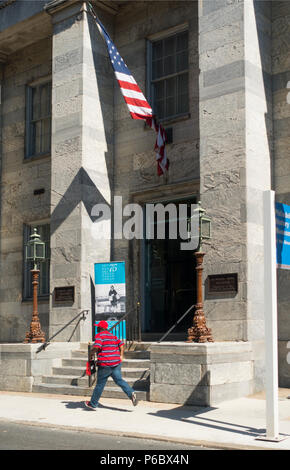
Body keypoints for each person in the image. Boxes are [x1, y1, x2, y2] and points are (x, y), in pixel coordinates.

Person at [85, 320, 138, 410]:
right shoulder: (113, 336)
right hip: (116, 363)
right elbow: (121, 345)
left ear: (100, 328)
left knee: (100, 385)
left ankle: (93, 404)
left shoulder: (100, 335)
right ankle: (131, 393)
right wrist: (121, 355)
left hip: (105, 364)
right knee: (119, 380)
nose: (96, 328)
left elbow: (97, 346)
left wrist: (91, 353)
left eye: (97, 327)